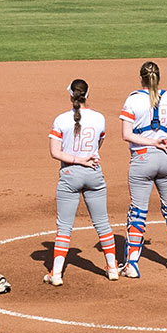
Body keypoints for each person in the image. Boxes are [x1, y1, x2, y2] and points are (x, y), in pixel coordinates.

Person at [45, 79, 121, 286]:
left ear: (71, 95)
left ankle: (57, 274)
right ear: (88, 94)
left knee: (64, 227)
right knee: (103, 223)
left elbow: (55, 152)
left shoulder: (61, 120)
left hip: (70, 174)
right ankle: (112, 268)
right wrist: (88, 158)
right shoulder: (99, 118)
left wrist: (78, 159)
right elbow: (99, 143)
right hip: (94, 173)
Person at [119, 61, 167, 275]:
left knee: (137, 212)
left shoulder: (133, 100)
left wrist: (150, 141)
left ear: (141, 79)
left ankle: (131, 265)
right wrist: (160, 138)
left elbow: (126, 135)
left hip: (142, 160)